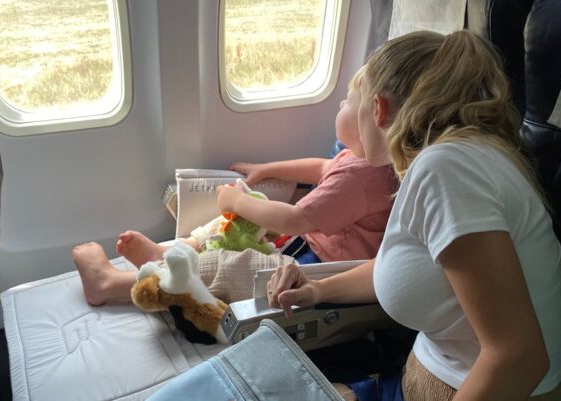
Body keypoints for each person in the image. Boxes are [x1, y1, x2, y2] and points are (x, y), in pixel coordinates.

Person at [265, 30, 561, 401]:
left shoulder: (447, 169)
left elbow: (519, 357)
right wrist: (318, 289)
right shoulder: (448, 160)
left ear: (378, 108)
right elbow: (399, 265)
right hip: (415, 378)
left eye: (350, 101)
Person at [72, 66, 399, 306]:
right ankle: (171, 252)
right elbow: (323, 167)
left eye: (347, 101)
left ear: (375, 112)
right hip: (305, 246)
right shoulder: (358, 158)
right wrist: (265, 169)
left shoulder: (364, 177)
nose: (340, 106)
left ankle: (110, 283)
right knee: (229, 228)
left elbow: (295, 220)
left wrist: (236, 201)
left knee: (231, 266)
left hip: (319, 269)